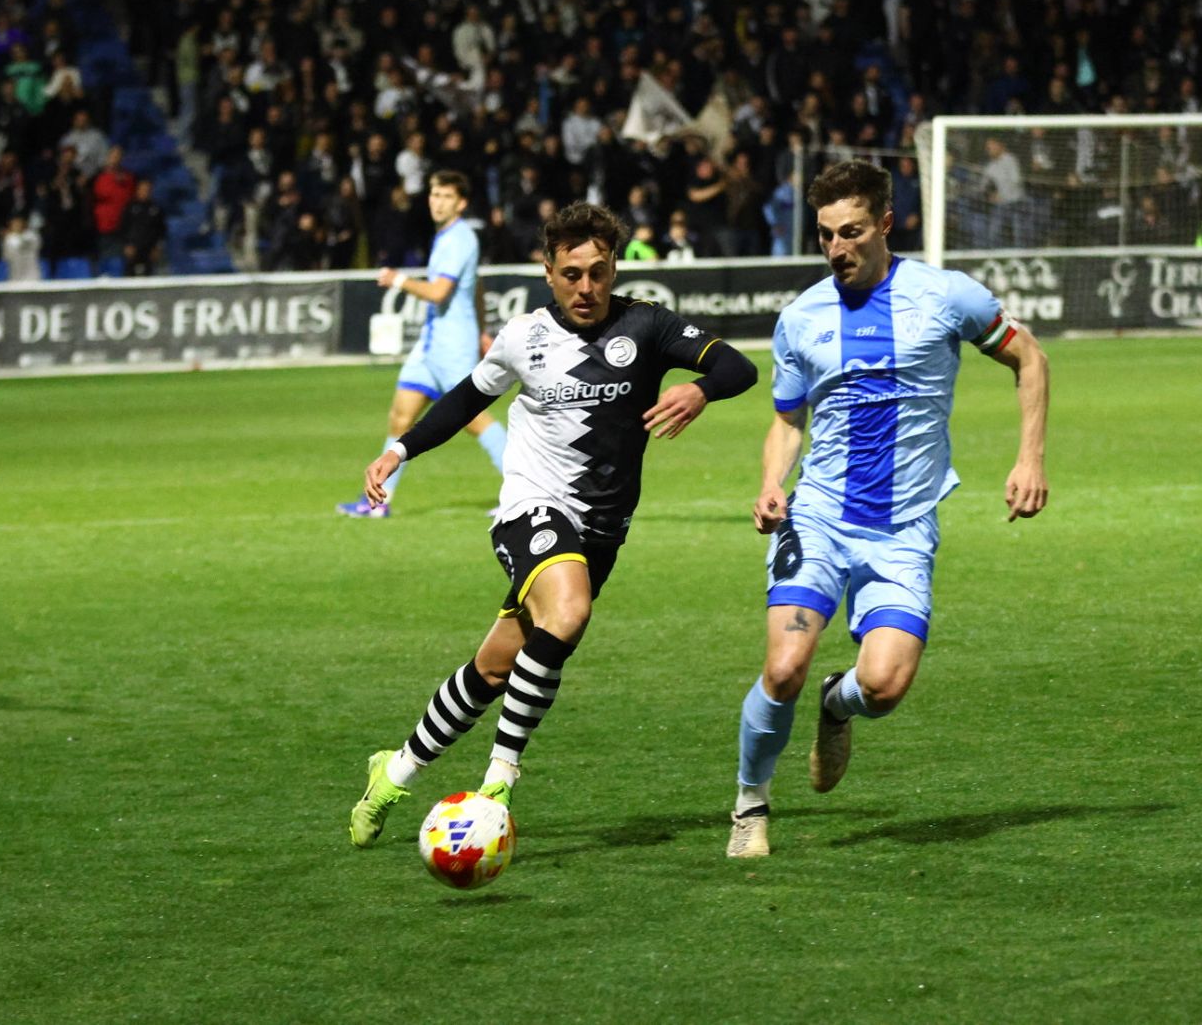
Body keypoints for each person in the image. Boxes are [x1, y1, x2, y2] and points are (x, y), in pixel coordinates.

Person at [348, 201, 759, 847]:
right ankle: (499, 779)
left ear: (614, 267)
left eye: (598, 272)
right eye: (571, 274)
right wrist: (399, 450)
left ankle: (394, 771)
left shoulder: (647, 325)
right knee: (568, 610)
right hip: (531, 507)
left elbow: (738, 366)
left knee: (495, 667)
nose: (586, 287)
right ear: (548, 272)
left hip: (602, 530)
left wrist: (699, 389)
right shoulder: (524, 336)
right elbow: (466, 398)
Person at [726, 160, 1049, 858]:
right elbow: (787, 420)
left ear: (885, 225)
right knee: (783, 666)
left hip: (903, 527)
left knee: (884, 686)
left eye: (851, 232)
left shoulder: (946, 296)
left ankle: (836, 701)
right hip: (818, 517)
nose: (836, 248)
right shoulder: (801, 317)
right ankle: (750, 804)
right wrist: (772, 481)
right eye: (825, 235)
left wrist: (1029, 459)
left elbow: (1030, 358)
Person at [337, 171, 507, 518]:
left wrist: (398, 280)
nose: (437, 202)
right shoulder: (447, 237)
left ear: (460, 203)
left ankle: (526, 489)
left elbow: (439, 292)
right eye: (434, 194)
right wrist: (482, 331)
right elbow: (476, 287)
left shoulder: (459, 239)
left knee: (473, 419)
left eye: (446, 196)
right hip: (431, 346)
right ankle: (378, 502)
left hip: (452, 346)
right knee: (400, 417)